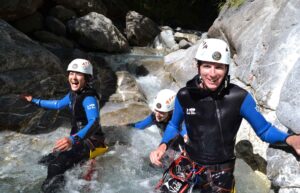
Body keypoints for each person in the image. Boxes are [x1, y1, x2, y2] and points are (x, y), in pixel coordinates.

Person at [149, 38, 300, 193]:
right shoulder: (185, 95)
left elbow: (264, 130)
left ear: (227, 69)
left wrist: (291, 139)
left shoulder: (239, 98)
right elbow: (174, 125)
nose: (212, 74)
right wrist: (163, 145)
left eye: (219, 67)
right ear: (198, 67)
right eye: (207, 66)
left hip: (221, 171)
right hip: (187, 162)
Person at [21, 58, 107, 193]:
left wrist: (72, 139)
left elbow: (94, 122)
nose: (73, 77)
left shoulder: (89, 97)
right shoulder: (73, 94)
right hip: (79, 140)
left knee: (55, 167)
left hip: (90, 141)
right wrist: (34, 101)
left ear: (87, 78)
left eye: (78, 74)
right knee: (45, 161)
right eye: (71, 73)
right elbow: (57, 104)